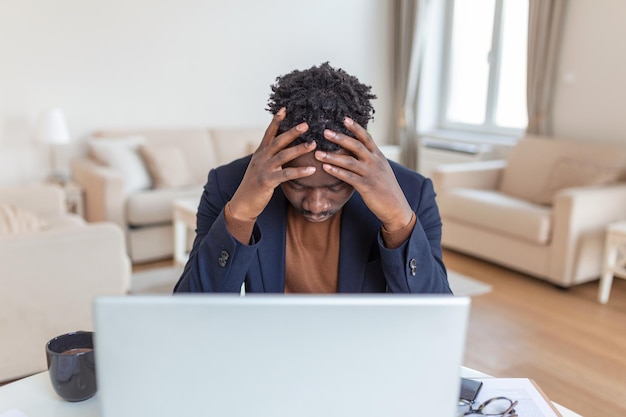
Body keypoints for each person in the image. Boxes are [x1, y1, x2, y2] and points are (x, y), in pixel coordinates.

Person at [174, 62, 451, 294]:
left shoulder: (413, 193)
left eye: (335, 185)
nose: (315, 205)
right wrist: (240, 216)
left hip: (360, 349)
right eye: (296, 183)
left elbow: (436, 318)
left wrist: (399, 223)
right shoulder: (229, 186)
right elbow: (190, 312)